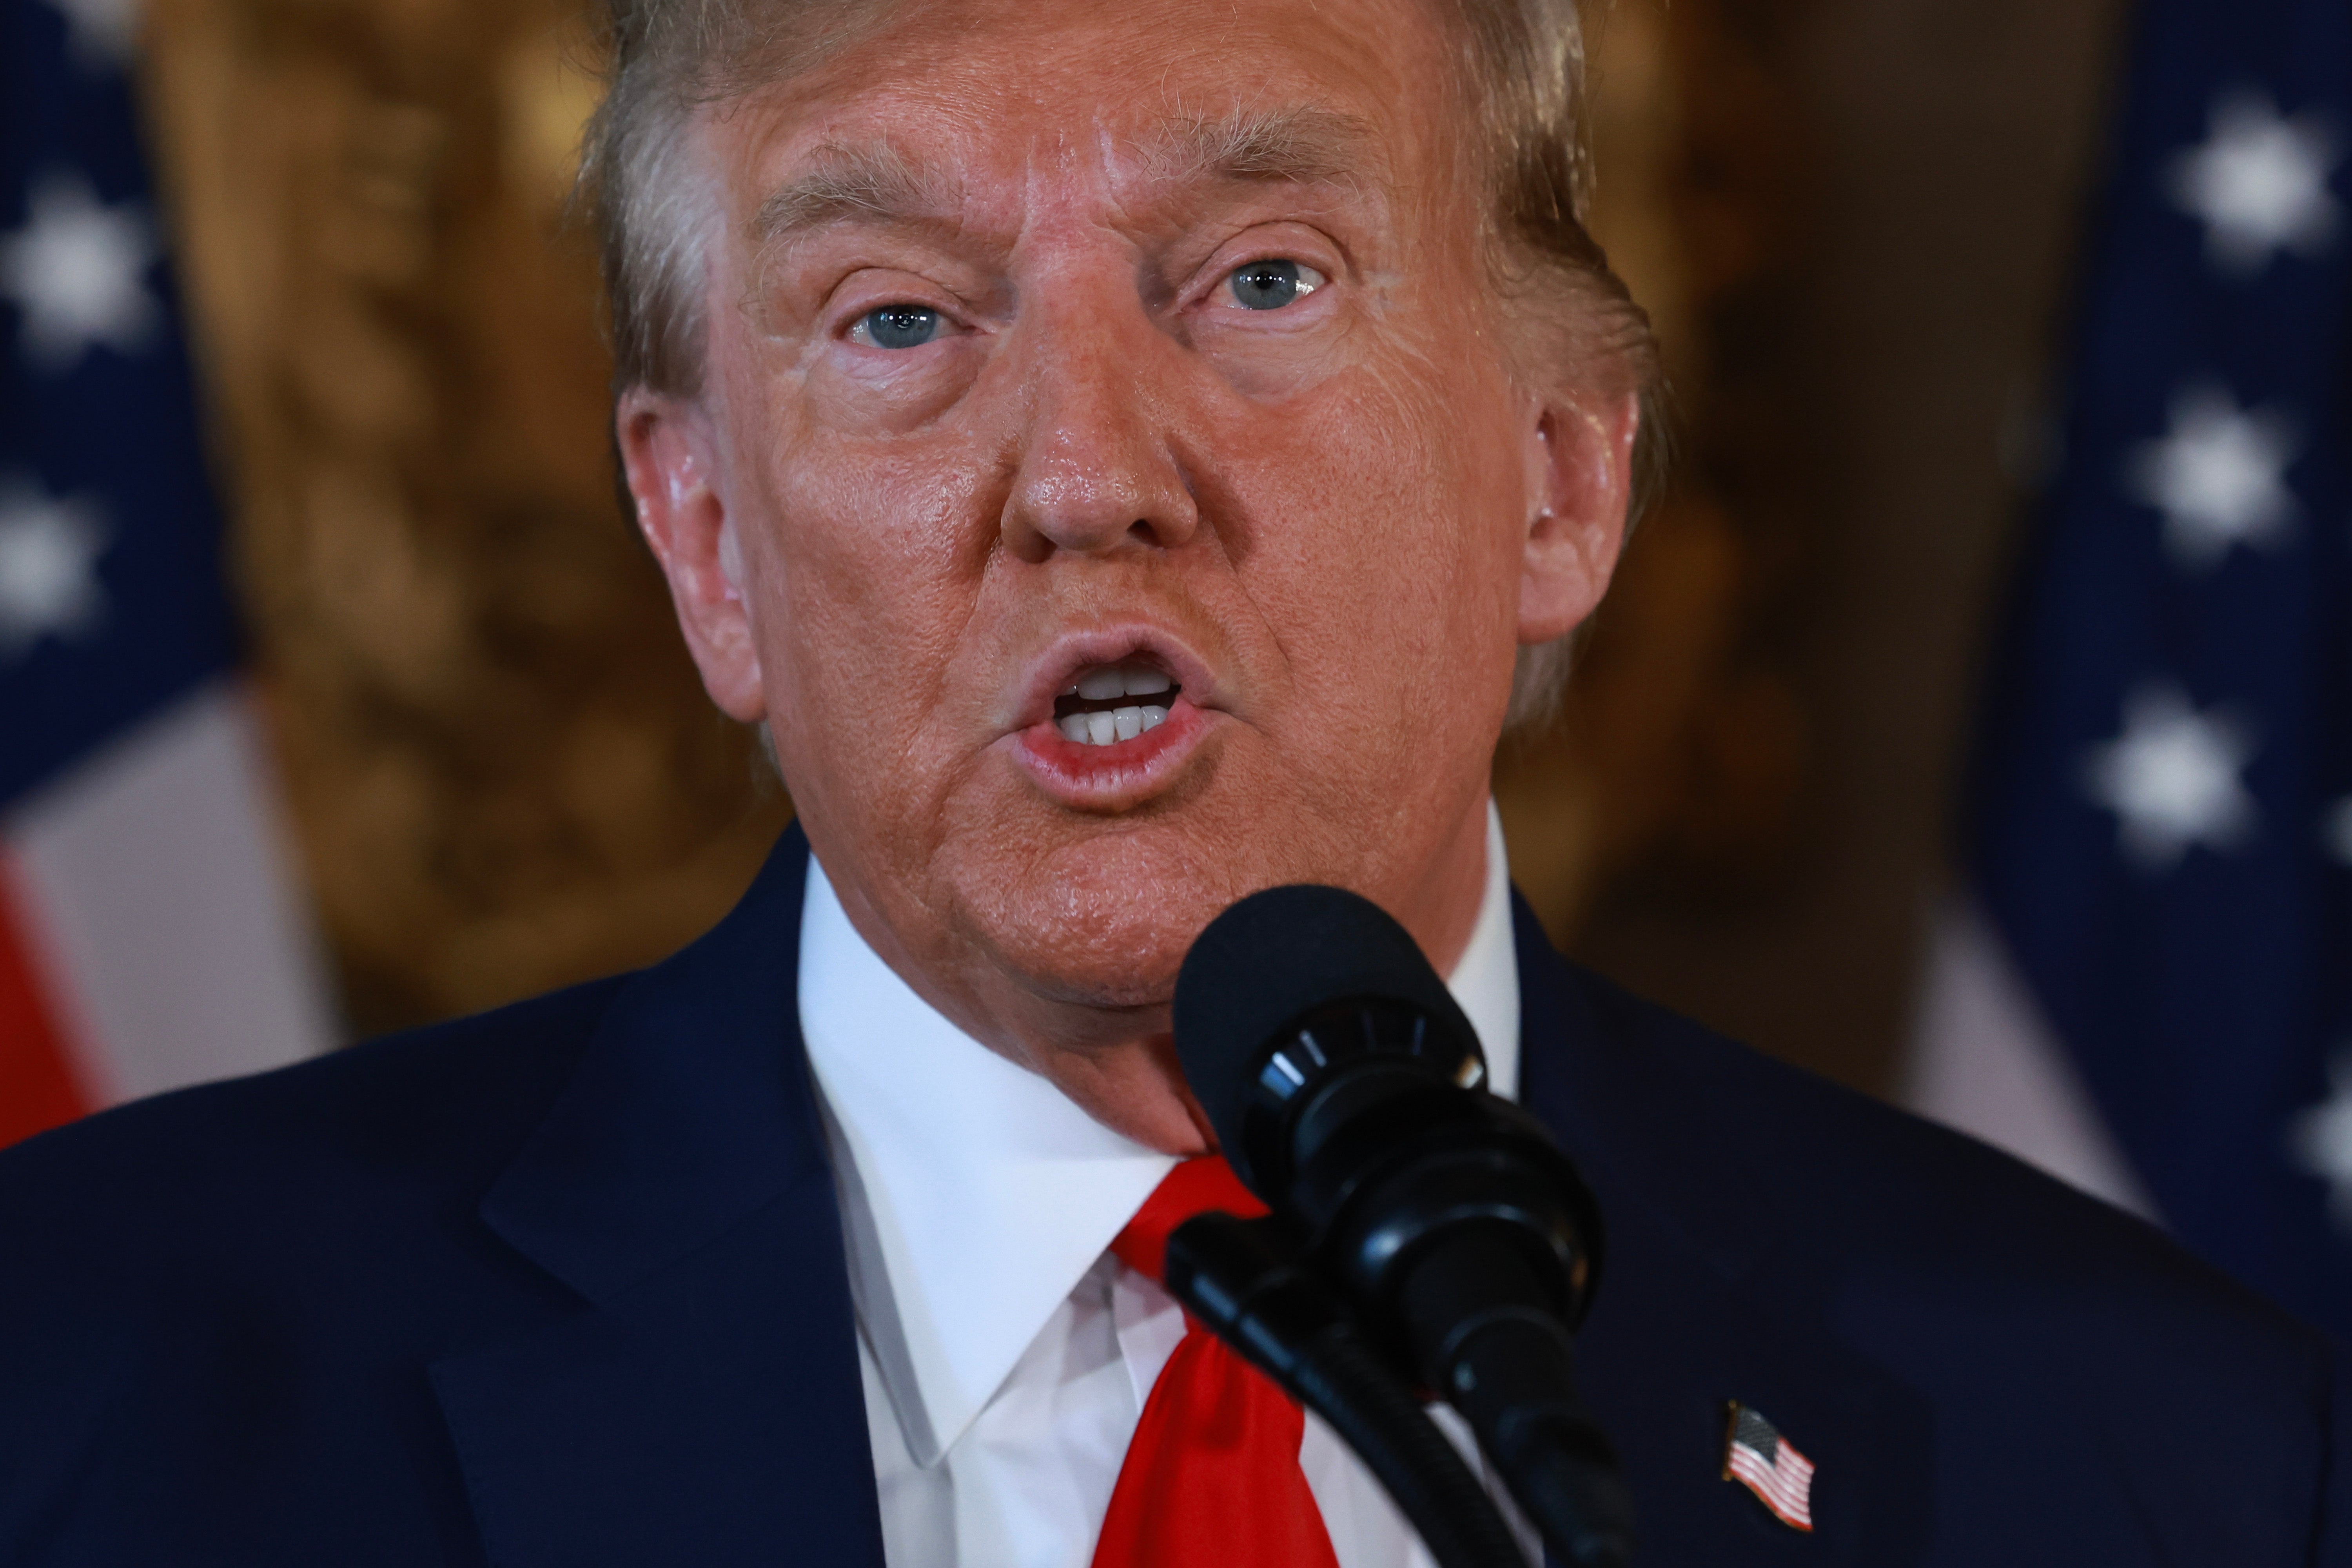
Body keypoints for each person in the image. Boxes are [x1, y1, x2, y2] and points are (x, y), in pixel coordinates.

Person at [2, 0, 2345, 1561]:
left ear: (1560, 475)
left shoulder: (2156, 1468)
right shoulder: (84, 1397)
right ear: (706, 542)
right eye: (902, 319)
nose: (1091, 477)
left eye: (1260, 280)